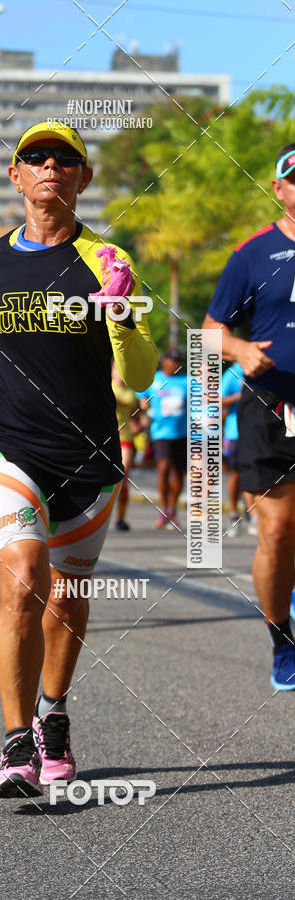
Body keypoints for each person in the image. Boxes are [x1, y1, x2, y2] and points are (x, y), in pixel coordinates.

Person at [0, 121, 158, 798]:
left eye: (65, 158)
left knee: (68, 599)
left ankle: (54, 715)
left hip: (86, 453)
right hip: (5, 440)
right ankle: (16, 741)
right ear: (16, 176)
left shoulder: (109, 259)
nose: (50, 165)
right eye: (35, 157)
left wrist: (123, 313)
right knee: (24, 574)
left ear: (83, 178)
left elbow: (139, 376)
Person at [203, 142, 295, 690]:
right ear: (280, 189)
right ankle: (282, 640)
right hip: (271, 407)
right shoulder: (252, 255)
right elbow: (210, 332)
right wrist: (238, 352)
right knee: (278, 532)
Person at [137, 349, 188, 531]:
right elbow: (140, 393)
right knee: (164, 468)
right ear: (164, 362)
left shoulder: (187, 381)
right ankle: (164, 509)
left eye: (179, 361)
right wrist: (143, 405)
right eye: (173, 360)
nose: (176, 364)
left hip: (182, 433)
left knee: (178, 472)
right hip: (161, 433)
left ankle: (172, 509)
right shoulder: (154, 379)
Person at [111, 362, 140, 531]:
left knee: (123, 476)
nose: (120, 374)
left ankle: (121, 518)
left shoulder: (130, 392)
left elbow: (133, 411)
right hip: (106, 438)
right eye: (117, 370)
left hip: (125, 438)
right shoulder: (106, 385)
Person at [221, 362, 247, 538]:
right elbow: (219, 400)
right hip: (236, 431)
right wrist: (242, 395)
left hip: (263, 432)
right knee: (236, 473)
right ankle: (233, 513)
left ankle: (255, 516)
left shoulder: (271, 366)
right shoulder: (234, 372)